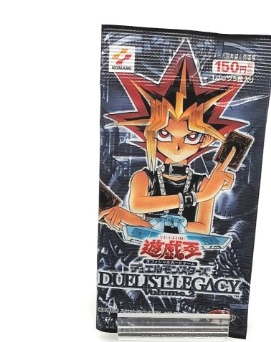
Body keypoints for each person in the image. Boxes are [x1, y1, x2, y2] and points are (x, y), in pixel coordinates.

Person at [104, 44, 244, 235]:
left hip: (187, 249)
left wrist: (149, 225)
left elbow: (203, 229)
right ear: (151, 135)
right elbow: (137, 205)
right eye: (164, 134)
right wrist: (199, 196)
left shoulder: (204, 183)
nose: (177, 146)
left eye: (191, 137)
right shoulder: (143, 178)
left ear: (205, 139)